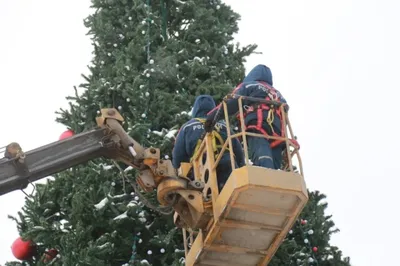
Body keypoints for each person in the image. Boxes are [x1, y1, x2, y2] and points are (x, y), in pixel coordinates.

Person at [205, 64, 289, 170]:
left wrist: (212, 117)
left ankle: (265, 177)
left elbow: (231, 101)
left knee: (263, 159)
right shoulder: (278, 94)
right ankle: (277, 178)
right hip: (278, 133)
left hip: (258, 126)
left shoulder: (249, 85)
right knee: (274, 163)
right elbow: (284, 116)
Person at [172, 95, 245, 191]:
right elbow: (238, 151)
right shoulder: (224, 126)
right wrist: (241, 167)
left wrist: (178, 172)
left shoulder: (188, 127)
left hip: (201, 172)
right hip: (227, 165)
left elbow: (178, 155)